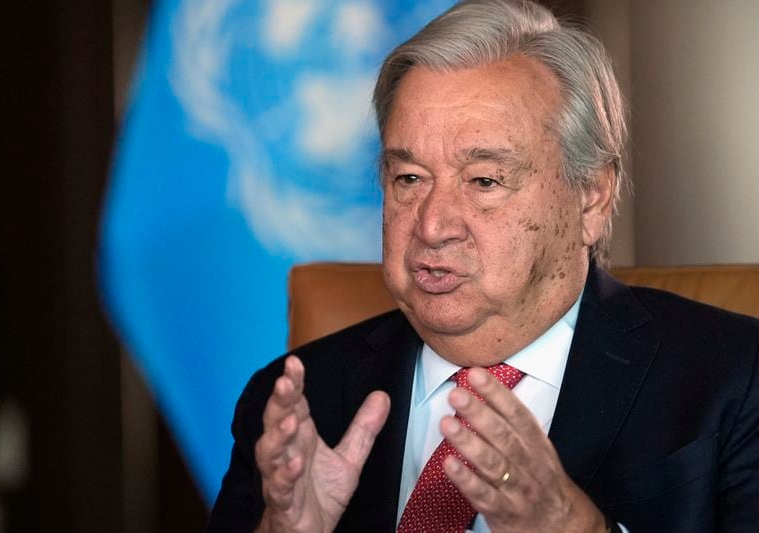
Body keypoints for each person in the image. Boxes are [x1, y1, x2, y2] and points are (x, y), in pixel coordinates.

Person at [207, 1, 759, 531]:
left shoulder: (735, 381)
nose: (431, 226)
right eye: (409, 179)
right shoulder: (296, 404)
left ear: (590, 198)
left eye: (484, 181)